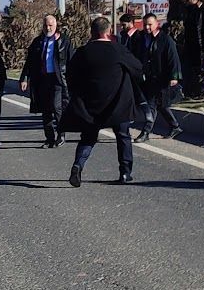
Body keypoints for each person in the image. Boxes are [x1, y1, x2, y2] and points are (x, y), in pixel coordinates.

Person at [60, 17, 145, 187]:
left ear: (91, 32)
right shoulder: (118, 50)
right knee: (123, 136)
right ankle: (125, 173)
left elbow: (70, 75)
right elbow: (137, 68)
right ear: (108, 32)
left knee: (88, 137)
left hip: (90, 104)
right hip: (118, 103)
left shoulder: (83, 52)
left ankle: (78, 165)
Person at [20, 14, 73, 147]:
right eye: (45, 25)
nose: (48, 28)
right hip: (42, 79)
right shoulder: (38, 41)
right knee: (45, 110)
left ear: (56, 25)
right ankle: (49, 138)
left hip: (58, 79)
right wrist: (24, 78)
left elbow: (71, 61)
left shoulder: (64, 41)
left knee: (57, 107)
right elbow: (30, 62)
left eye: (50, 25)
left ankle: (61, 135)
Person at [129, 13, 182, 141]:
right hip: (149, 78)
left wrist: (174, 77)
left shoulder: (165, 40)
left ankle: (146, 132)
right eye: (145, 24)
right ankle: (175, 126)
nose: (147, 27)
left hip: (162, 78)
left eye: (150, 24)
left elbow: (173, 59)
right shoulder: (142, 39)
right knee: (157, 105)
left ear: (157, 24)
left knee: (154, 105)